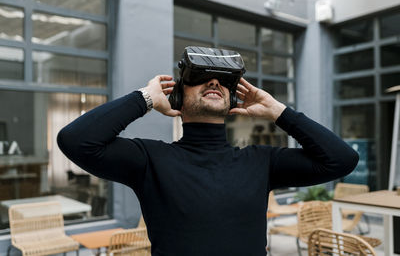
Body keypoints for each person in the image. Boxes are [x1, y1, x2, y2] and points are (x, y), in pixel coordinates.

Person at [57, 59, 358, 255]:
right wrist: (145, 98)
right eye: (200, 77)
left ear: (231, 100)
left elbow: (341, 159)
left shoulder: (261, 161)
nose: (214, 82)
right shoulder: (150, 160)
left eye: (223, 80)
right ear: (177, 97)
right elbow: (75, 141)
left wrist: (278, 111)